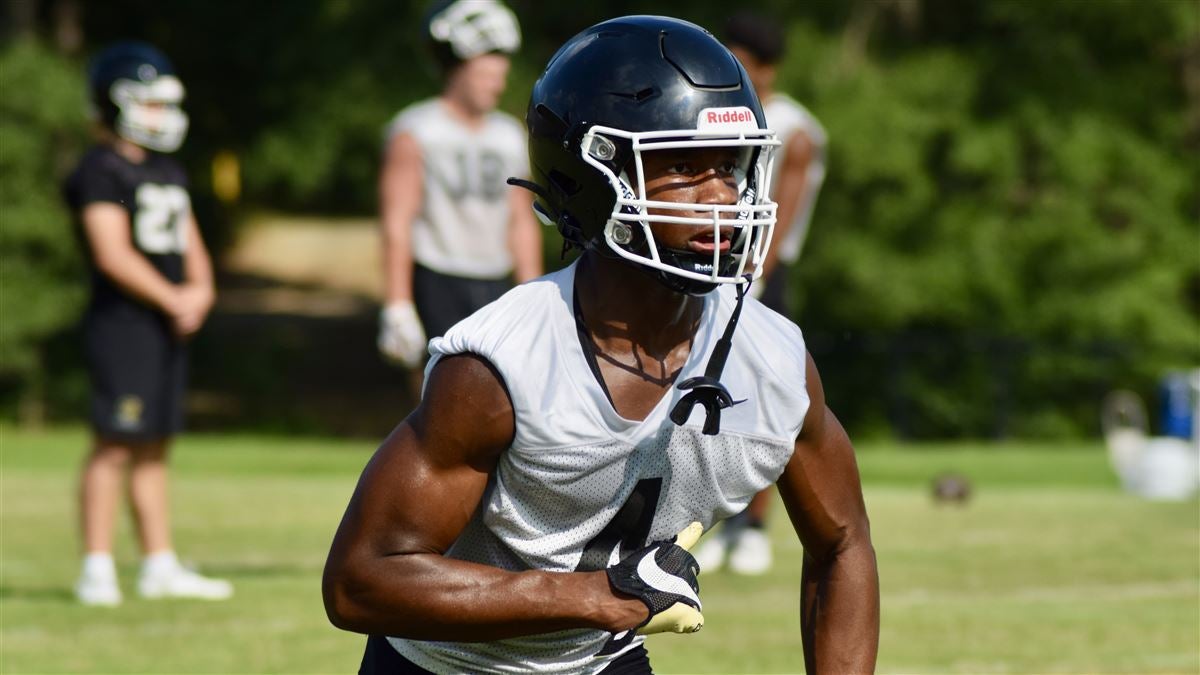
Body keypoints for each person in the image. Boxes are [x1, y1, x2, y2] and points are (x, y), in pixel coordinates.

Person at [324, 16, 878, 674]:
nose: (721, 198)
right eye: (681, 167)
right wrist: (592, 595)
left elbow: (843, 541)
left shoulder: (772, 358)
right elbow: (361, 577)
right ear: (590, 176)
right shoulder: (503, 365)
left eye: (729, 167)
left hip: (602, 661)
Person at [64, 41, 232, 606]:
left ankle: (159, 563)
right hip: (125, 325)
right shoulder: (100, 170)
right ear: (118, 105)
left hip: (165, 324)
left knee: (155, 445)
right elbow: (111, 252)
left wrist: (200, 292)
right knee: (114, 441)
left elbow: (190, 242)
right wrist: (171, 298)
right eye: (151, 105)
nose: (162, 116)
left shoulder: (168, 171)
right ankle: (96, 566)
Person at [692, 11, 832, 577]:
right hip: (712, 265)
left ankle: (756, 527)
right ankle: (711, 524)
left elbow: (783, 211)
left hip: (761, 274)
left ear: (767, 68)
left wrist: (756, 275)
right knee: (704, 402)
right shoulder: (721, 111)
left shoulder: (793, 127)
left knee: (762, 400)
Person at [376, 0, 542, 381]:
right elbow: (397, 220)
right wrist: (398, 303)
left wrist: (533, 293)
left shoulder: (508, 134)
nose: (497, 83)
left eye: (501, 73)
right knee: (436, 396)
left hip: (494, 278)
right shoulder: (416, 129)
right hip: (437, 276)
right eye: (486, 73)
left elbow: (520, 220)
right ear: (458, 69)